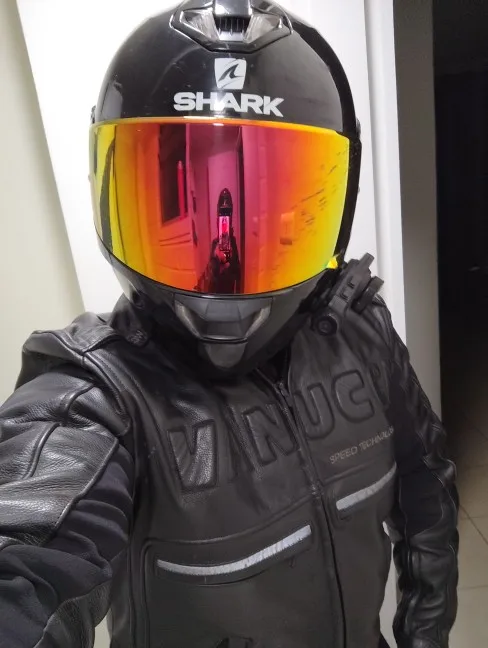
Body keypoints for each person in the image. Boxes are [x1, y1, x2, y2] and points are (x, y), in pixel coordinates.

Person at [0, 1, 458, 647]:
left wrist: (425, 637)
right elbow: (26, 559)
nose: (224, 257)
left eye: (267, 215)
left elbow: (427, 494)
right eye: (186, 212)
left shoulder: (362, 332)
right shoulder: (96, 401)